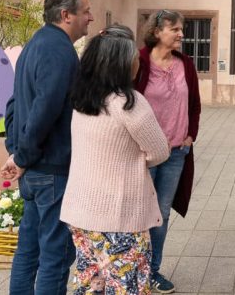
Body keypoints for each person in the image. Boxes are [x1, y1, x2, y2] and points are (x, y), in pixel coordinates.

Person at [60, 25, 171, 295]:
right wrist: (132, 159)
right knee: (127, 287)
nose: (138, 62)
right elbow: (160, 151)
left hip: (82, 212)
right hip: (119, 218)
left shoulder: (83, 99)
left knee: (90, 284)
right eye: (134, 57)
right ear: (120, 64)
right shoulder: (129, 103)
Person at [1, 0, 94, 294]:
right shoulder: (59, 50)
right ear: (66, 15)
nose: (91, 17)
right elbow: (45, 108)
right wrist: (21, 156)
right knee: (56, 256)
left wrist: (17, 152)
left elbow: (14, 104)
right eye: (86, 11)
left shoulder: (35, 43)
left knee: (28, 252)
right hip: (52, 170)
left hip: (34, 169)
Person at [134, 10, 202, 294]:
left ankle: (153, 270)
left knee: (161, 212)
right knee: (140, 212)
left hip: (176, 153)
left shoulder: (185, 64)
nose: (181, 34)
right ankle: (134, 269)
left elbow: (194, 104)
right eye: (174, 29)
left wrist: (190, 135)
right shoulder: (138, 61)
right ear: (156, 32)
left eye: (181, 29)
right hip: (145, 154)